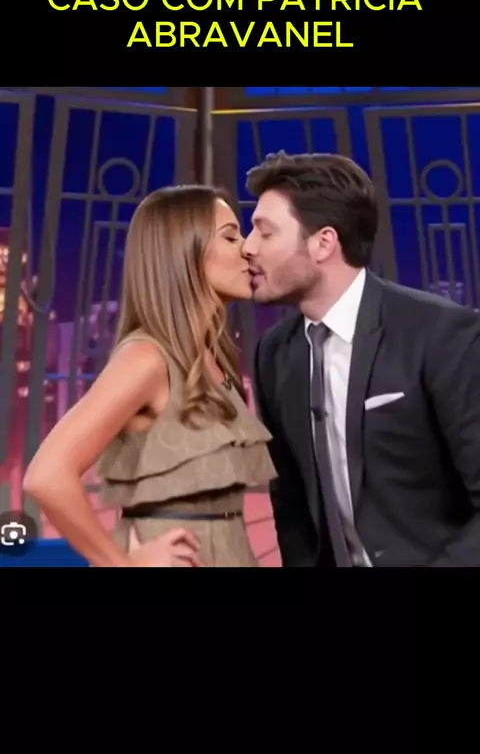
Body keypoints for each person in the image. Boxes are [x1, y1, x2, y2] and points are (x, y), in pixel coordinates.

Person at [243, 150, 480, 567]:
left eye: (265, 233)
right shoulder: (274, 353)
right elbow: (290, 503)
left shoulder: (440, 334)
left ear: (323, 243)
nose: (248, 247)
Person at [24, 185, 276, 567]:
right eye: (230, 237)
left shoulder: (214, 358)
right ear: (184, 253)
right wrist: (121, 565)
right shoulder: (147, 358)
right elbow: (47, 475)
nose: (247, 248)